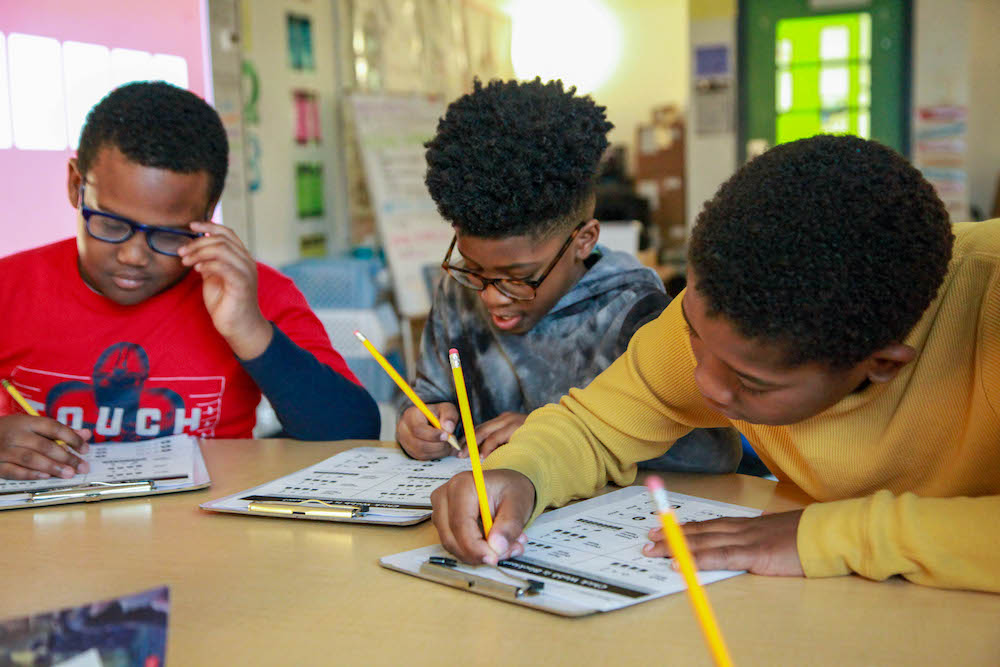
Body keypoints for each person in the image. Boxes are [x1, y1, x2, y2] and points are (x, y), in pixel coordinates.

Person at [430, 134, 1000, 593]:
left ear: (880, 364)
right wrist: (524, 473)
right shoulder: (726, 313)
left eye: (750, 382)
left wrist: (828, 536)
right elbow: (594, 425)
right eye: (693, 336)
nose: (704, 383)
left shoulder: (986, 309)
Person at [0, 81, 380, 481]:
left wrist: (249, 330)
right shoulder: (10, 288)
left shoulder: (251, 293)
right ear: (76, 185)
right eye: (110, 224)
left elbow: (352, 433)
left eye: (167, 235)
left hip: (208, 537)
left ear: (208, 212)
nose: (133, 256)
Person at [395, 78, 740, 474]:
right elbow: (428, 394)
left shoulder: (633, 310)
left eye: (518, 277)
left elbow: (711, 452)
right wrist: (416, 422)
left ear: (584, 240)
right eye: (474, 270)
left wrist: (554, 436)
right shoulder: (457, 291)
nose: (491, 297)